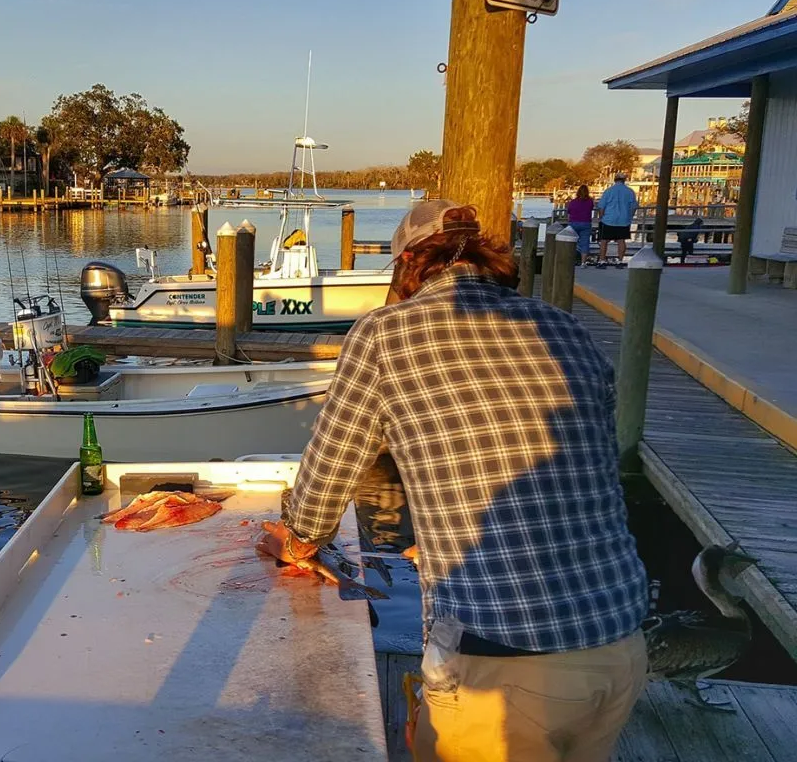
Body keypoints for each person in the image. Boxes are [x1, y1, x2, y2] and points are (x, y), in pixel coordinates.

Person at [258, 199, 648, 762]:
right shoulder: (568, 330)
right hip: (619, 644)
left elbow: (324, 486)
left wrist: (294, 539)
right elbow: (584, 477)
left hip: (503, 660)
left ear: (407, 268)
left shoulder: (385, 335)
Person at [595, 173, 638, 265]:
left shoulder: (608, 191)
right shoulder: (630, 191)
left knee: (604, 241)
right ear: (624, 180)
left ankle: (602, 260)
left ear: (615, 180)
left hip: (608, 219)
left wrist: (601, 216)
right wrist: (630, 216)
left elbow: (601, 206)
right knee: (621, 241)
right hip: (623, 220)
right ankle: (620, 260)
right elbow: (634, 206)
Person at [566, 185, 596, 265]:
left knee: (572, 242)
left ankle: (570, 260)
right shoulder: (590, 201)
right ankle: (583, 262)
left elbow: (569, 212)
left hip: (574, 223)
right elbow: (591, 208)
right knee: (585, 242)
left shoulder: (573, 202)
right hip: (585, 223)